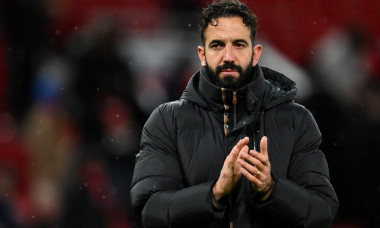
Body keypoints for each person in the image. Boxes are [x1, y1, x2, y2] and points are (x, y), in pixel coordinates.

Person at [130, 0, 339, 227]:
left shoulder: (297, 121)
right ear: (202, 54)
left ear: (256, 53)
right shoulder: (166, 122)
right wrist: (215, 192)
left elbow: (322, 212)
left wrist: (271, 189)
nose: (228, 56)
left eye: (239, 44)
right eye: (217, 45)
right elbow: (151, 211)